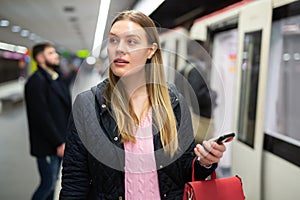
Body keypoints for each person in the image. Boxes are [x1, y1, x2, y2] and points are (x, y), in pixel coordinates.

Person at [59, 10, 226, 199]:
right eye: (113, 40)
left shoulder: (174, 103)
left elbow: (184, 171)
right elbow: (74, 183)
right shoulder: (87, 105)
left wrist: (204, 162)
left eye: (131, 41)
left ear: (151, 50)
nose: (119, 48)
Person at [24, 43, 73, 200]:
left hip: (60, 142)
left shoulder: (57, 78)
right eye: (51, 53)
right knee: (47, 183)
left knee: (52, 183)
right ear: (40, 58)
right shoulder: (36, 82)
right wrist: (58, 142)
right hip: (48, 145)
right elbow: (41, 116)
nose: (56, 55)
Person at [175, 39, 217, 144]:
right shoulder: (196, 70)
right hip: (199, 119)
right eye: (204, 50)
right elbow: (200, 96)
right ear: (197, 51)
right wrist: (214, 95)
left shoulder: (182, 69)